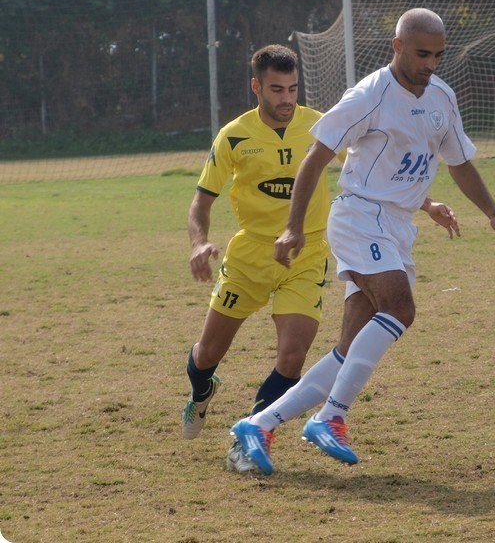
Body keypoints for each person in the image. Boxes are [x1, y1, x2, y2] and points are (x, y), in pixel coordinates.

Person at [229, 8, 495, 475]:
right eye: (422, 53)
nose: (430, 64)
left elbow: (459, 162)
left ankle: (260, 424)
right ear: (397, 46)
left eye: (438, 55)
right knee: (400, 309)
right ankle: (332, 416)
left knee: (349, 348)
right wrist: (293, 226)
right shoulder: (369, 95)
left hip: (398, 226)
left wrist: (494, 214)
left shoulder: (441, 99)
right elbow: (316, 156)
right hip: (360, 216)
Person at [182, 43, 458, 474]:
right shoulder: (233, 135)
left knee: (292, 357)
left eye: (292, 89)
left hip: (308, 253)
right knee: (206, 355)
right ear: (257, 88)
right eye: (276, 89)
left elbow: (374, 171)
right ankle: (201, 392)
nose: (286, 98)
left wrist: (428, 204)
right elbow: (200, 203)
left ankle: (251, 437)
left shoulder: (319, 123)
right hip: (251, 253)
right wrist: (199, 242)